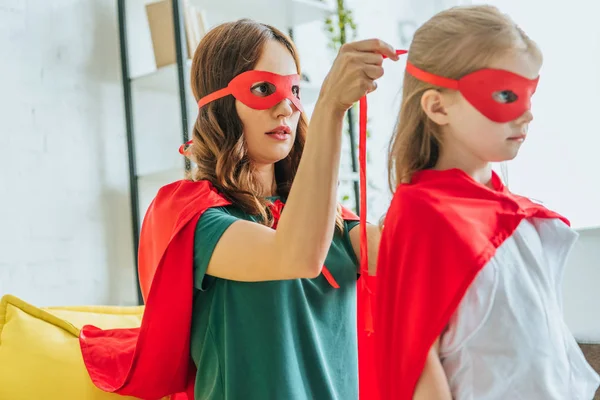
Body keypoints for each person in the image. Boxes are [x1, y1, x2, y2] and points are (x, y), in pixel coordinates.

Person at [79, 19, 391, 400]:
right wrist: (330, 107)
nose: (285, 107)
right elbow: (296, 255)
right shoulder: (196, 218)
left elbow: (419, 262)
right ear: (221, 103)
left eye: (294, 89)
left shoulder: (334, 221)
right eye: (263, 89)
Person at [372, 5, 600, 400]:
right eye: (506, 94)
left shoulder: (519, 218)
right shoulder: (423, 215)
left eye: (530, 93)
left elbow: (546, 360)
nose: (527, 114)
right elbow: (416, 366)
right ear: (438, 106)